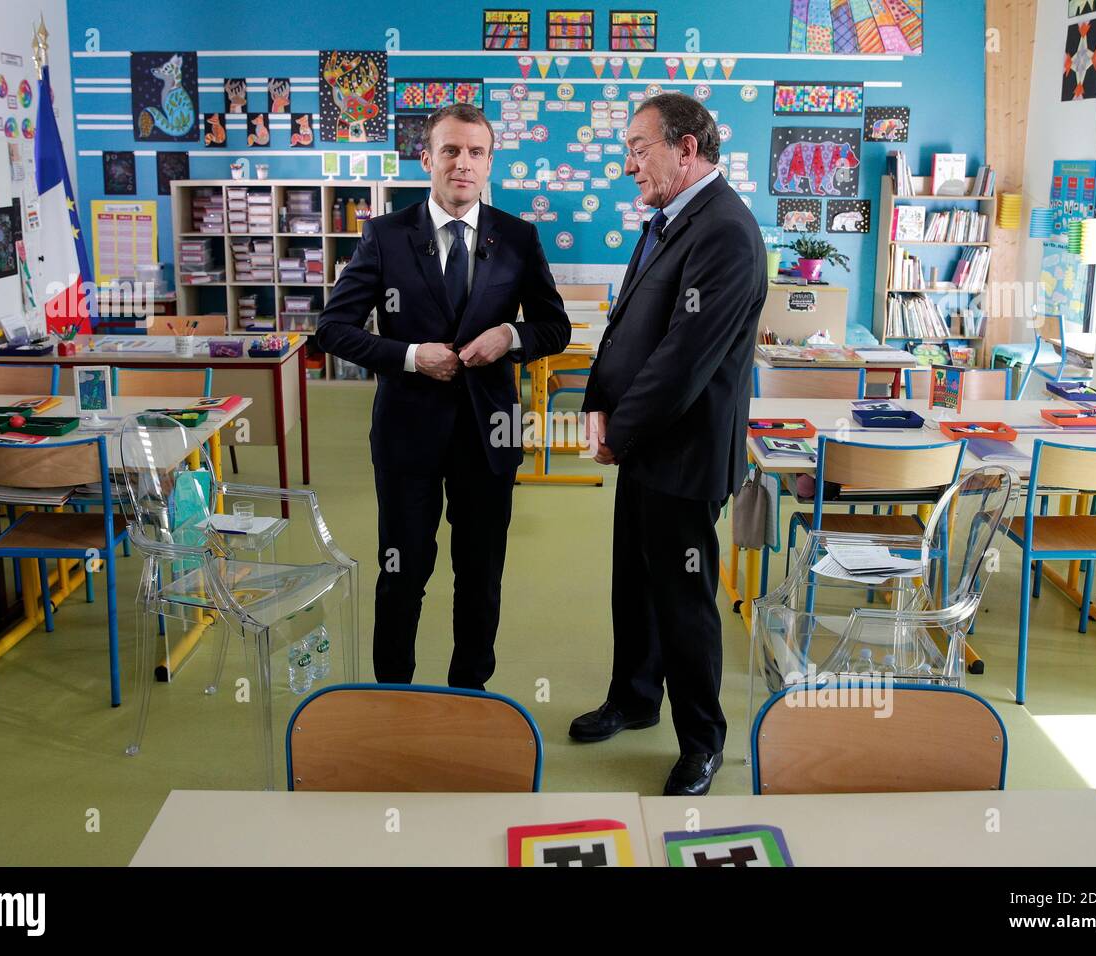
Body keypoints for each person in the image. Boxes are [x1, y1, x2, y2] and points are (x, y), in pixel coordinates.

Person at [317, 103, 570, 689]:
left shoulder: (517, 238)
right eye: (451, 150)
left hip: (490, 436)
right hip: (409, 434)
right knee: (402, 569)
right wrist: (409, 356)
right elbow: (333, 329)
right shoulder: (385, 235)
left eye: (476, 152)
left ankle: (469, 692)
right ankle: (393, 693)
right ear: (426, 158)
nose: (463, 163)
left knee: (480, 572)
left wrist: (509, 336)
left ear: (489, 164)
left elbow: (553, 327)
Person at [569, 92, 767, 796]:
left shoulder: (725, 232)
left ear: (686, 148)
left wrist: (619, 433)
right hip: (647, 447)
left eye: (638, 148)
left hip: (683, 455)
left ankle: (702, 742)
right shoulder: (669, 219)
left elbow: (685, 359)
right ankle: (633, 698)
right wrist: (597, 398)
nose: (629, 165)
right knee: (635, 581)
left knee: (684, 599)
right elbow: (627, 326)